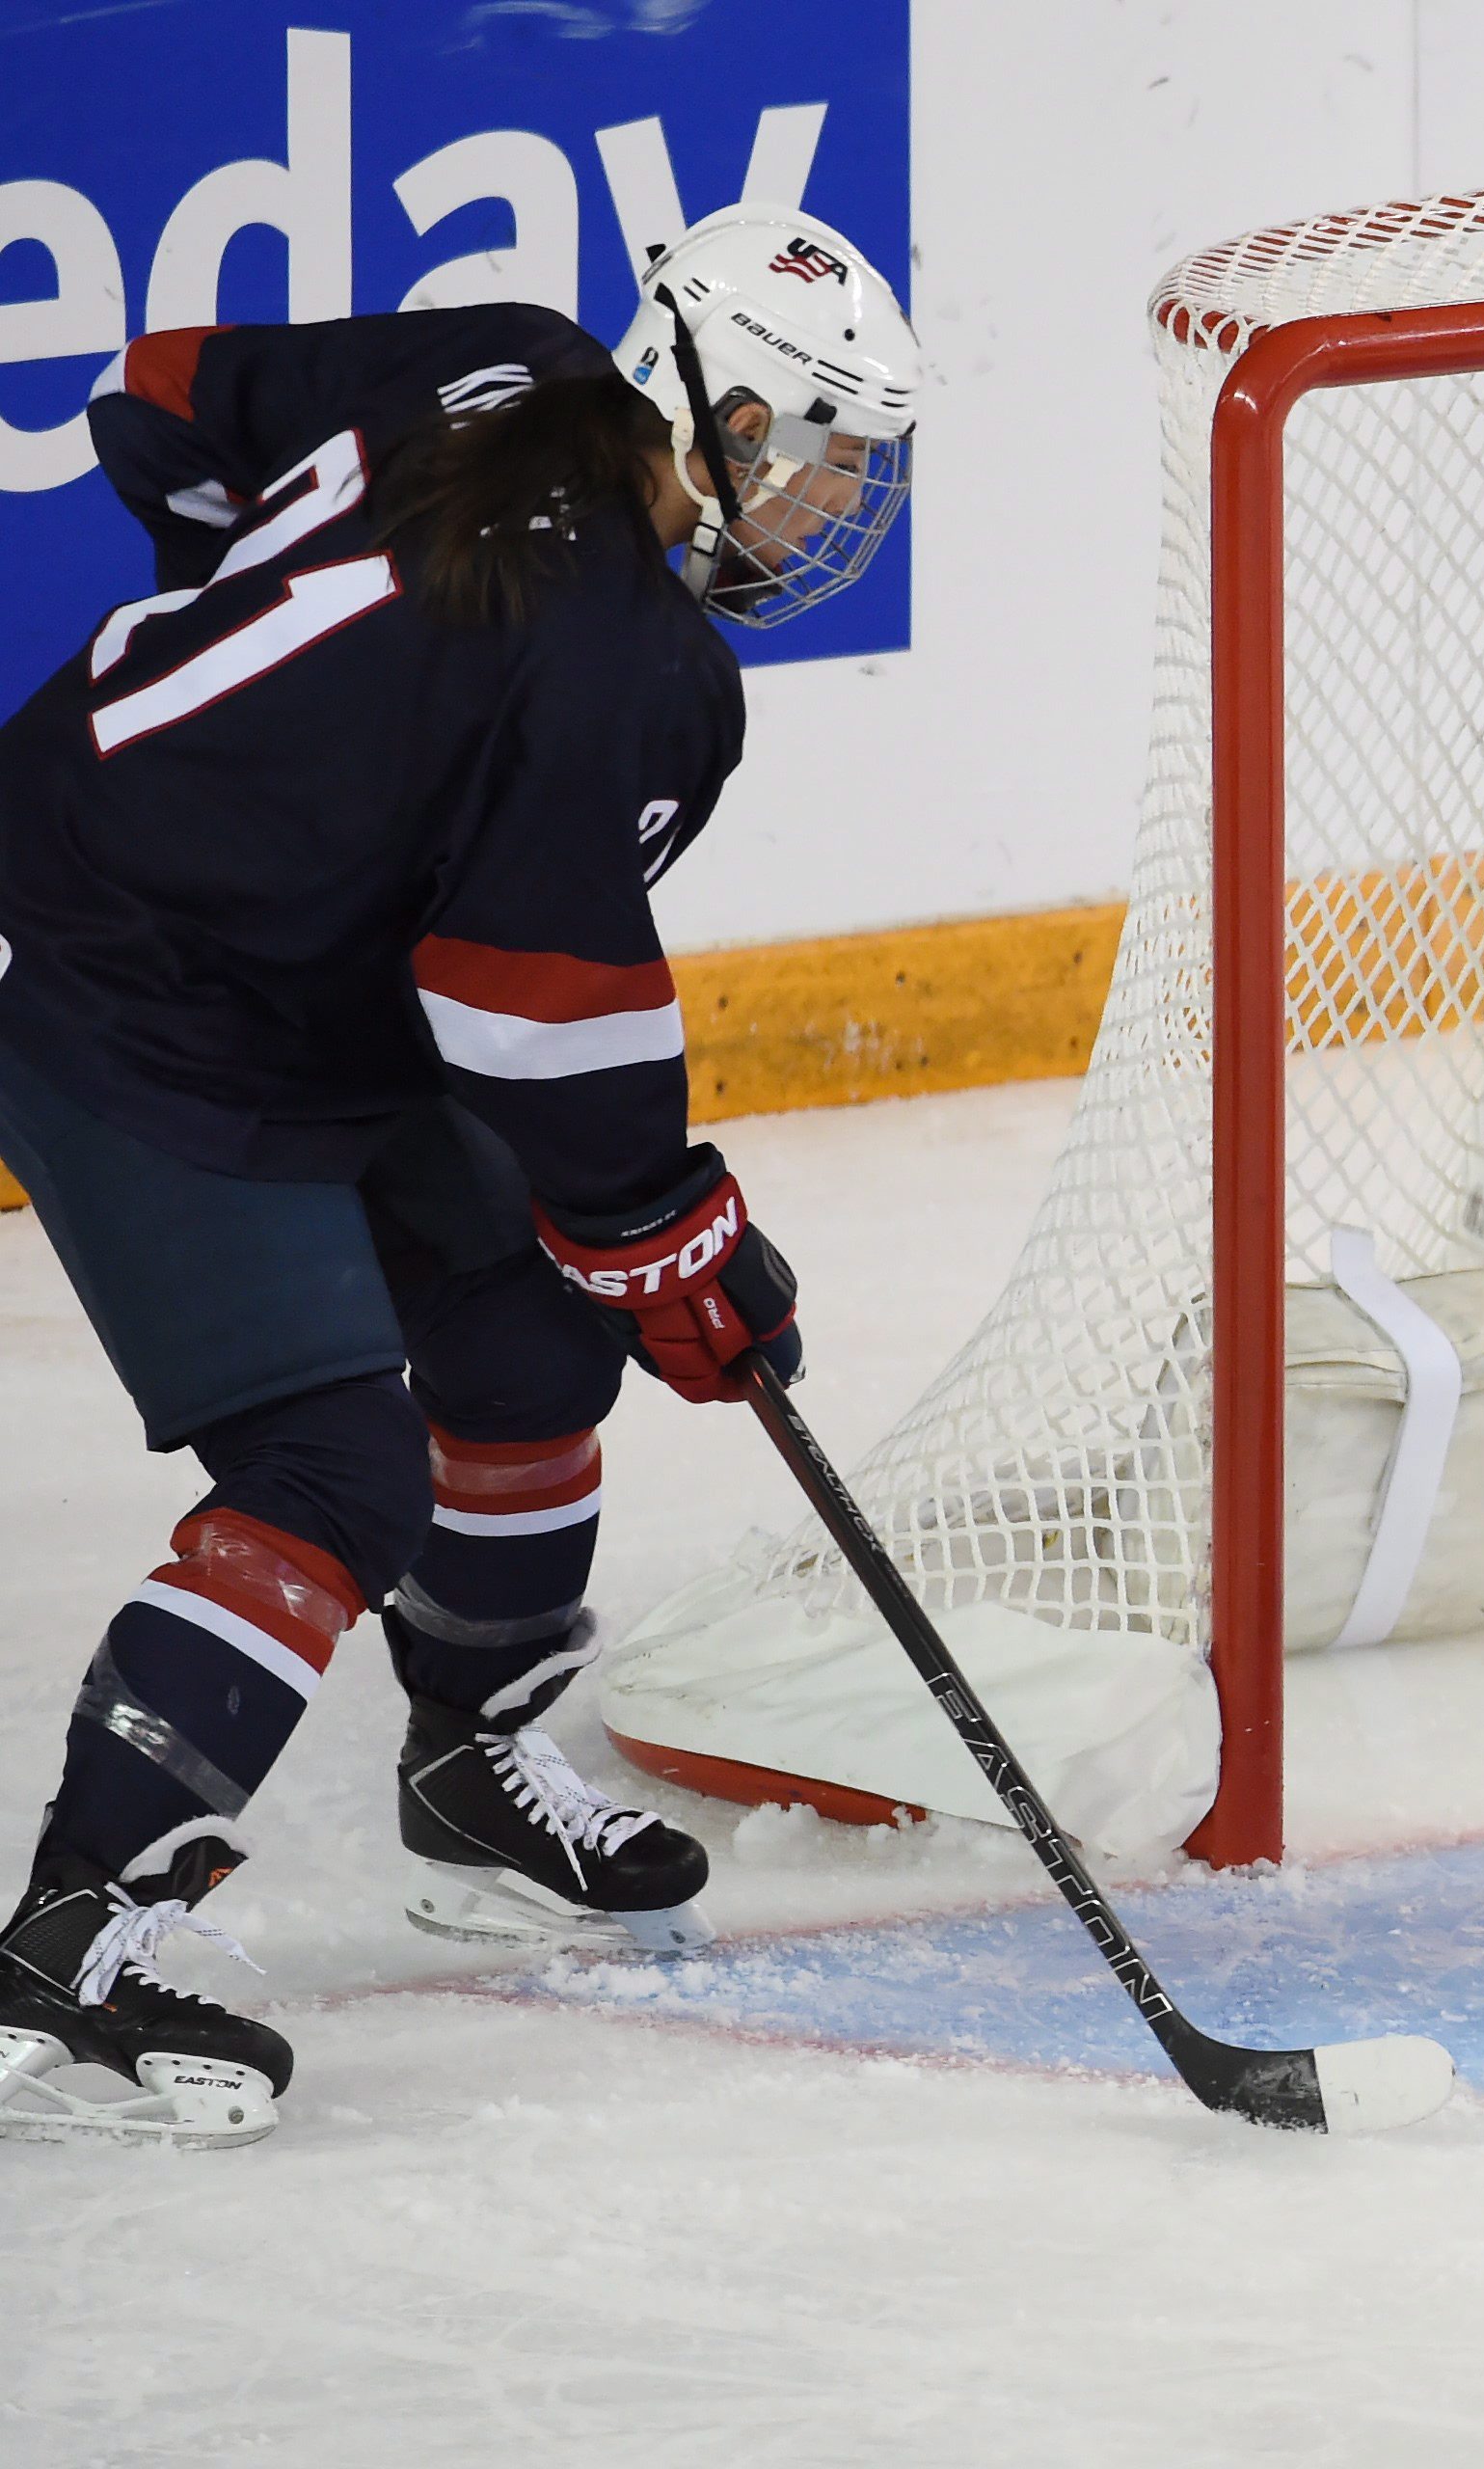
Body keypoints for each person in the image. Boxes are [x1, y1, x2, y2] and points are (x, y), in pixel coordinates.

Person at [0, 208, 918, 2148]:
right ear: (729, 419)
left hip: (294, 951)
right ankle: (71, 1932)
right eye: (831, 451)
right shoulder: (630, 668)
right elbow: (541, 1015)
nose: (843, 499)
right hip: (119, 971)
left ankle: (465, 1763)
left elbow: (153, 400)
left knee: (527, 1324)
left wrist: (275, 716)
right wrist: (673, 1239)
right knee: (336, 1465)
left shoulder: (497, 352)